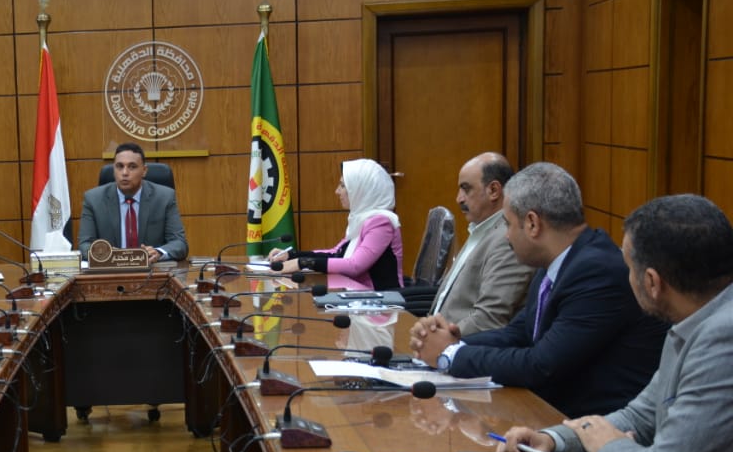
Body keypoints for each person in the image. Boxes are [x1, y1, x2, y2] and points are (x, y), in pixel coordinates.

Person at [499, 194, 733, 452]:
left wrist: (606, 447)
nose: (626, 278)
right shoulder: (695, 319)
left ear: (652, 283)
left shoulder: (722, 336)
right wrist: (553, 440)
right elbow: (642, 415)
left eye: (628, 269)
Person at [411, 162, 666, 418]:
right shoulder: (558, 261)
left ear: (532, 223)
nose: (506, 236)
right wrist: (453, 340)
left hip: (595, 427)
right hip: (550, 414)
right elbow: (520, 332)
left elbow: (541, 365)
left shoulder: (597, 272)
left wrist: (451, 354)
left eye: (508, 224)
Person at [424, 152, 532, 335]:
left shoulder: (508, 240)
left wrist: (439, 339)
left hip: (458, 344)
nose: (459, 199)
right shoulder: (481, 228)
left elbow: (489, 319)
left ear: (494, 190)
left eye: (466, 189)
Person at [268, 158, 403, 290]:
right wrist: (292, 255)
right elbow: (336, 253)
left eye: (343, 186)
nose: (337, 191)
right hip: (357, 295)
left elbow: (355, 266)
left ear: (361, 190)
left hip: (382, 300)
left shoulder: (381, 223)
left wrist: (302, 263)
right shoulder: (361, 219)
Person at [78, 142, 188, 263]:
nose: (124, 173)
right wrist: (106, 254)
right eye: (119, 166)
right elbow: (84, 244)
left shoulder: (164, 197)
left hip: (151, 270)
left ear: (144, 170)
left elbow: (179, 243)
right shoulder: (93, 199)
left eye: (132, 167)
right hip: (111, 270)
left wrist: (158, 252)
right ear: (114, 169)